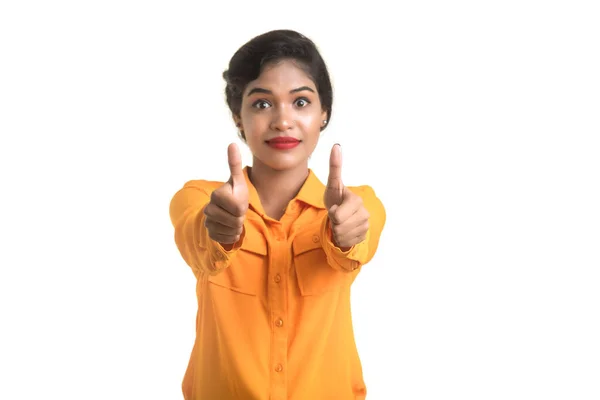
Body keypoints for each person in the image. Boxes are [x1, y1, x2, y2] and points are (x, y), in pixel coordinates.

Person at [169, 29, 386, 400]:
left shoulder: (358, 204)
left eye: (300, 103)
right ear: (239, 118)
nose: (283, 121)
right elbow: (198, 241)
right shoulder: (199, 198)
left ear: (323, 115)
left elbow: (358, 242)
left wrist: (345, 237)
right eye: (262, 104)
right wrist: (222, 232)